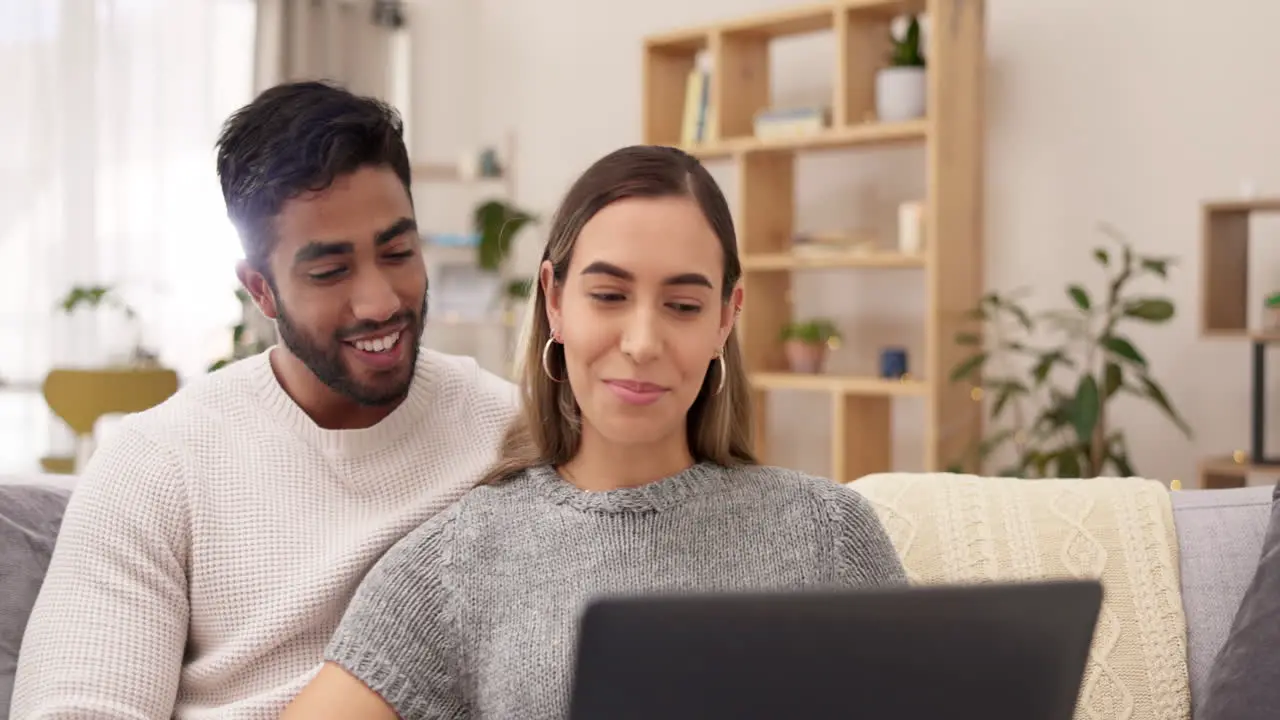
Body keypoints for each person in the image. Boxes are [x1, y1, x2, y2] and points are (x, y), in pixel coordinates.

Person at [280, 145, 908, 720]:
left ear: (726, 316)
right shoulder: (460, 559)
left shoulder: (828, 534)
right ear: (554, 301)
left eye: (683, 306)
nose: (641, 343)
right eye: (608, 295)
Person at [10, 81, 518, 718]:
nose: (381, 301)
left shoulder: (511, 435)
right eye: (330, 271)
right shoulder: (157, 463)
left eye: (397, 252)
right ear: (262, 290)